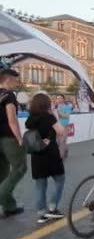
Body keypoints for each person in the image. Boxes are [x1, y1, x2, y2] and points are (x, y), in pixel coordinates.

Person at [25, 94, 66, 223]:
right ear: (47, 104)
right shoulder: (49, 117)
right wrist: (54, 115)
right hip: (50, 153)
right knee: (59, 179)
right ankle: (53, 207)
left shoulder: (30, 119)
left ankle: (41, 213)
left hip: (37, 155)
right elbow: (61, 131)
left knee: (40, 185)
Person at [0, 69, 27, 217]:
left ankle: (9, 206)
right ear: (8, 80)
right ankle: (2, 196)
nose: (17, 84)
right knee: (20, 168)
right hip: (8, 138)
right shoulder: (8, 95)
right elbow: (12, 119)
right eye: (16, 81)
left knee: (2, 173)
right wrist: (19, 138)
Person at [55, 94, 72, 159]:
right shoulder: (55, 107)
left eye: (60, 98)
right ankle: (66, 151)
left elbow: (66, 116)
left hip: (64, 126)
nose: (58, 100)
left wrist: (59, 112)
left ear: (63, 99)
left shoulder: (67, 107)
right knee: (58, 141)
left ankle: (60, 156)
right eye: (57, 98)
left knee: (62, 141)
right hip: (56, 127)